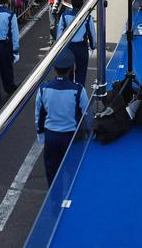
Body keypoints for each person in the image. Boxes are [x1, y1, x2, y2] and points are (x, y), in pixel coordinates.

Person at [36, 50, 89, 184]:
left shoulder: (43, 88)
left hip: (51, 137)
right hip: (72, 137)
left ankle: (54, 200)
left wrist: (40, 134)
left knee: (52, 172)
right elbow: (86, 115)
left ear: (54, 69)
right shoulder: (79, 90)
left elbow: (39, 114)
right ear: (72, 68)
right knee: (73, 172)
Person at [55, 0, 94, 87]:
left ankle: (68, 90)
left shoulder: (65, 16)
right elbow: (92, 33)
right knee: (81, 72)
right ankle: (79, 92)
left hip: (68, 47)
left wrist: (59, 49)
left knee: (68, 72)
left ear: (71, 2)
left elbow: (60, 34)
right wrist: (93, 46)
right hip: (81, 47)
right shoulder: (87, 16)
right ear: (82, 2)